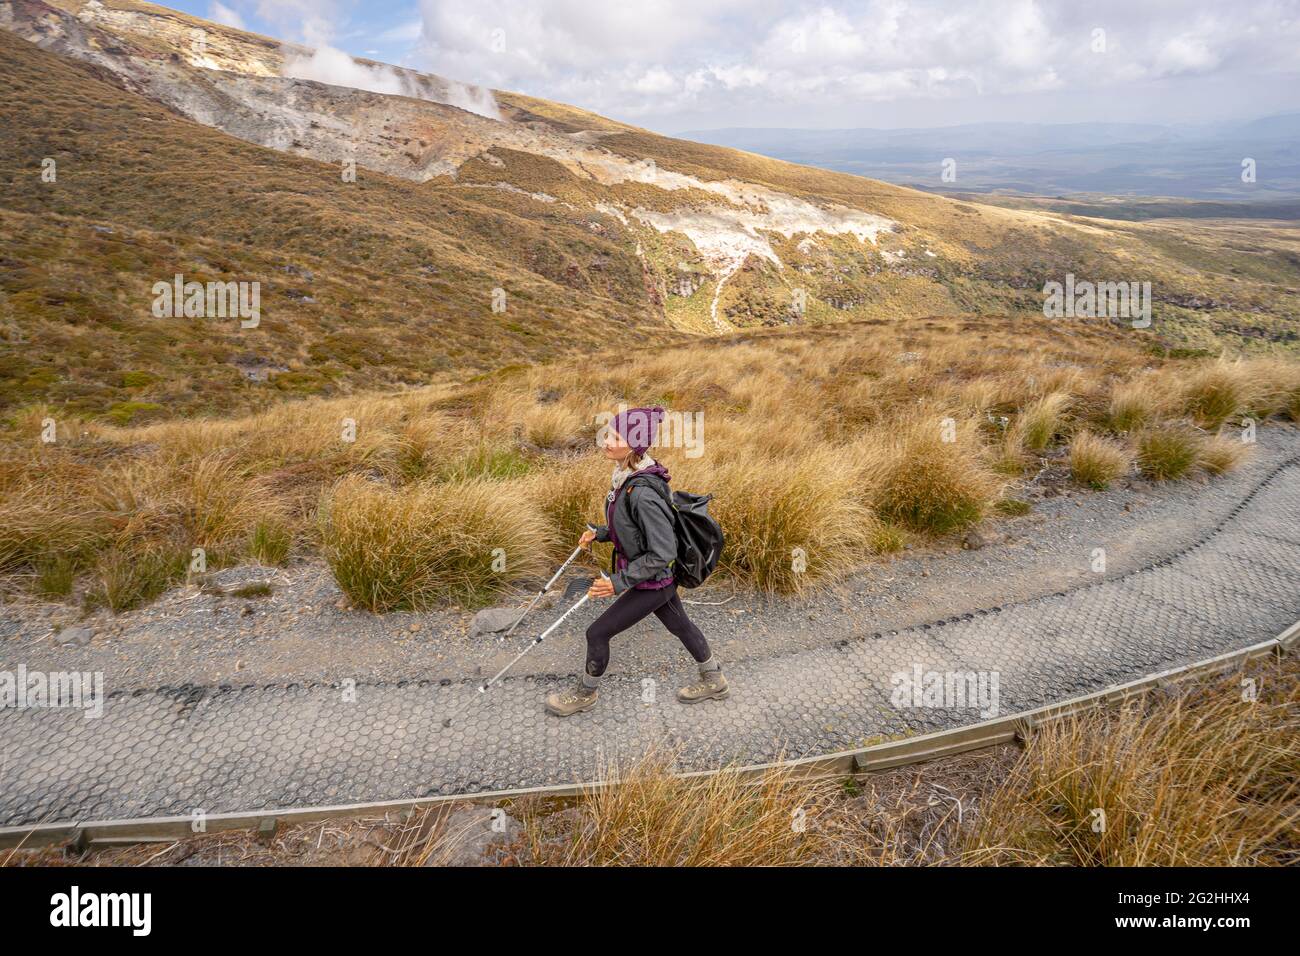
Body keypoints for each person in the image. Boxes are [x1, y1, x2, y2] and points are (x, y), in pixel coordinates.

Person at [544, 405, 728, 717]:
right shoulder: (627, 479)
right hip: (656, 578)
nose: (606, 442)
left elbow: (662, 552)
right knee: (680, 625)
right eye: (608, 434)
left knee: (597, 633)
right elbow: (633, 531)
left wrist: (617, 582)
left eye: (616, 436)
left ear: (635, 445)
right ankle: (715, 681)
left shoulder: (642, 492)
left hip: (653, 581)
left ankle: (585, 694)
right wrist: (600, 534)